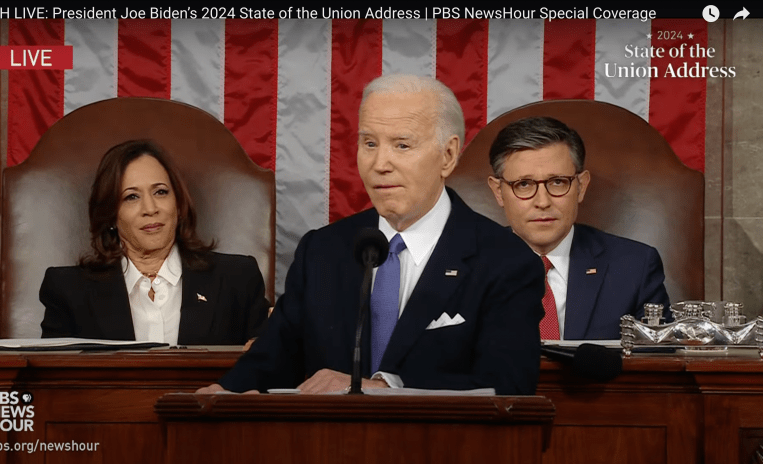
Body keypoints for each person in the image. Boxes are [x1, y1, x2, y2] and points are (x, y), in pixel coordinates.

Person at [199, 74, 544, 395]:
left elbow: (507, 385)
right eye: (369, 143)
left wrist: (383, 389)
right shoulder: (322, 250)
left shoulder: (505, 261)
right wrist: (224, 393)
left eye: (402, 145)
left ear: (448, 155)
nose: (380, 163)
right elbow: (273, 357)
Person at [39, 139, 269, 345]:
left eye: (160, 192)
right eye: (131, 197)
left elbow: (267, 368)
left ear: (178, 205)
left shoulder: (237, 280)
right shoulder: (69, 291)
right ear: (110, 214)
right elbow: (53, 385)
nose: (150, 209)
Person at [487, 116, 671, 340]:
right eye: (524, 184)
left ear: (581, 187)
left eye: (557, 182)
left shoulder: (635, 267)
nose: (543, 202)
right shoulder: (465, 269)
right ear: (498, 192)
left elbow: (659, 366)